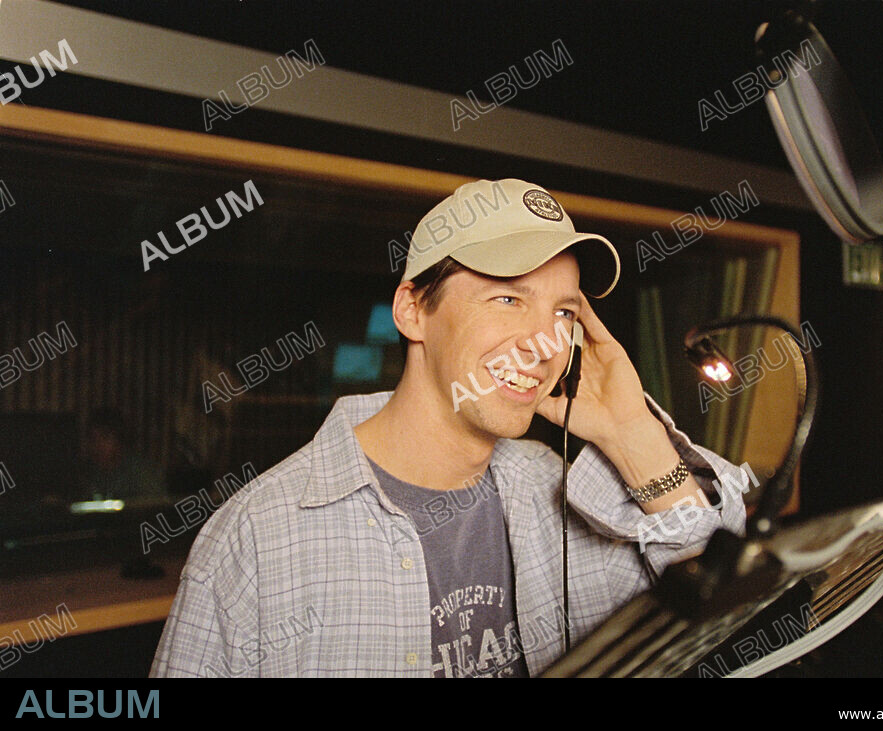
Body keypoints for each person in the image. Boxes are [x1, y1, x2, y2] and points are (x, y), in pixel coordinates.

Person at [151, 178, 749, 678]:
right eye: (509, 300)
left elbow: (719, 620)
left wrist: (630, 433)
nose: (544, 344)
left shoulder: (557, 492)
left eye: (563, 312)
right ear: (413, 310)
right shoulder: (260, 536)